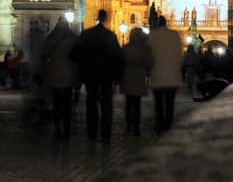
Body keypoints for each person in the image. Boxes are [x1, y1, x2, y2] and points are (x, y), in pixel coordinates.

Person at [71, 9, 122, 142]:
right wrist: (117, 76)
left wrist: (83, 67)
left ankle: (92, 133)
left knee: (91, 104)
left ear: (97, 17)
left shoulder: (87, 34)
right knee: (106, 106)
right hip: (106, 76)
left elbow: (75, 54)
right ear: (105, 18)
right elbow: (118, 57)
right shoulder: (110, 36)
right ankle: (105, 134)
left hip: (90, 75)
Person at [43, 17, 78, 140]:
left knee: (56, 104)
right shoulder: (72, 38)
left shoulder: (51, 37)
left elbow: (45, 53)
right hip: (68, 74)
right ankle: (67, 130)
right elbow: (77, 57)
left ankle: (57, 129)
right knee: (67, 105)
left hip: (54, 73)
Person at [149, 16, 183, 134]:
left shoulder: (152, 36)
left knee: (158, 103)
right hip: (172, 75)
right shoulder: (175, 35)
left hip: (157, 75)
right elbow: (180, 55)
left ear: (158, 23)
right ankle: (168, 125)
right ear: (166, 23)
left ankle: (159, 125)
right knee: (170, 102)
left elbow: (148, 56)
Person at [121, 27, 153, 136]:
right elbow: (150, 63)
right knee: (137, 104)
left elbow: (120, 62)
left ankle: (128, 124)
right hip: (139, 78)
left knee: (129, 103)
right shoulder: (145, 49)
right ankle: (136, 128)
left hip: (127, 78)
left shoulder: (126, 48)